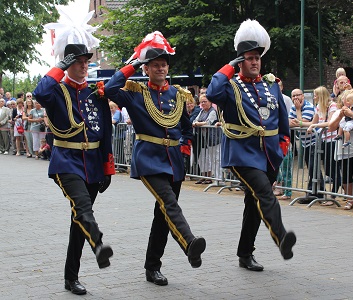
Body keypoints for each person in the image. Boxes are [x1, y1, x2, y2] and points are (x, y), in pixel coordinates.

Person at [104, 31, 206, 286]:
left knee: (163, 215)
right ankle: (190, 243)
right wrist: (133, 64)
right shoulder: (135, 93)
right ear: (147, 69)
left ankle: (152, 267)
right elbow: (109, 89)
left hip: (173, 160)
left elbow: (186, 128)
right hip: (149, 159)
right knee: (170, 204)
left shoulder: (177, 95)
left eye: (164, 64)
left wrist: (183, 152)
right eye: (155, 65)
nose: (161, 68)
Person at [206, 19, 296, 271]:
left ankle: (245, 254)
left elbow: (281, 122)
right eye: (248, 58)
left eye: (257, 57)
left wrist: (282, 147)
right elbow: (212, 93)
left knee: (253, 205)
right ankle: (281, 236)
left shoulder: (270, 86)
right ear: (239, 61)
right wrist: (228, 68)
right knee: (264, 193)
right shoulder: (230, 87)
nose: (255, 62)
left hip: (268, 155)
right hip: (242, 154)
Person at [33, 43, 115, 295]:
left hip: (91, 163)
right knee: (82, 208)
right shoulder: (57, 91)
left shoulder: (94, 94)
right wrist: (59, 66)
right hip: (66, 160)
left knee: (78, 220)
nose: (83, 65)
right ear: (68, 63)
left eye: (85, 61)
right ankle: (98, 244)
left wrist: (107, 166)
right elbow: (40, 93)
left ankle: (71, 278)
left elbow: (106, 132)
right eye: (77, 61)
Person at [306, 86, 341, 204]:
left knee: (331, 168)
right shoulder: (318, 107)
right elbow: (313, 122)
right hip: (321, 140)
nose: (314, 97)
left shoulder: (332, 106)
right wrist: (301, 123)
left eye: (315, 95)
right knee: (313, 164)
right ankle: (320, 191)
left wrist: (314, 126)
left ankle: (333, 195)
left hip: (331, 140)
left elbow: (330, 122)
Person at [288, 88, 323, 203]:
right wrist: (296, 121)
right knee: (313, 167)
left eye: (298, 95)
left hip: (314, 140)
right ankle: (318, 192)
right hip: (305, 142)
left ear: (303, 96)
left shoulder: (307, 107)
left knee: (314, 167)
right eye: (293, 96)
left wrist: (298, 111)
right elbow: (289, 122)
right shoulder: (293, 107)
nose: (295, 98)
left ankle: (313, 193)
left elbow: (301, 123)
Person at [192, 94, 220, 184]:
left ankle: (218, 179)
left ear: (210, 102)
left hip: (214, 139)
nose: (203, 103)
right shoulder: (202, 111)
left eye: (205, 101)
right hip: (205, 139)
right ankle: (213, 178)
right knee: (209, 158)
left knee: (216, 159)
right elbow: (194, 121)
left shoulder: (213, 111)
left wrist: (197, 124)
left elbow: (208, 122)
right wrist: (198, 123)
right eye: (201, 102)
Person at [274, 79, 293, 200]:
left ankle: (288, 191)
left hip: (283, 137)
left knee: (286, 165)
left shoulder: (286, 99)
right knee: (276, 165)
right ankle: (278, 186)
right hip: (273, 136)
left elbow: (290, 117)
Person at [22, 93, 35, 158]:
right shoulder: (25, 110)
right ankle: (28, 152)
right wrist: (30, 118)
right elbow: (23, 117)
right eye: (28, 102)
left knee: (33, 139)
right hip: (27, 126)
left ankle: (35, 152)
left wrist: (29, 118)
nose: (29, 103)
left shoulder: (34, 109)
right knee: (27, 139)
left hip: (34, 125)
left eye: (30, 102)